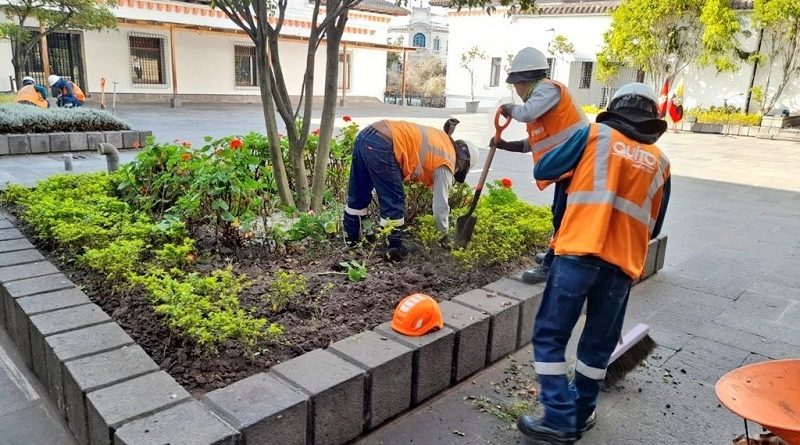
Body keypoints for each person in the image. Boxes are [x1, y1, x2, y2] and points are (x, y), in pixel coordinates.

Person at [516, 83, 671, 444]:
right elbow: (655, 224)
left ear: (615, 108)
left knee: (550, 336)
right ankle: (583, 412)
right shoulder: (661, 162)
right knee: (597, 347)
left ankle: (559, 416)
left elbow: (547, 168)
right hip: (622, 265)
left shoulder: (594, 135)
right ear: (652, 118)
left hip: (578, 253)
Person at [491, 47, 589, 285]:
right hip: (568, 165)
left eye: (516, 85)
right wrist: (504, 144)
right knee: (560, 212)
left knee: (563, 216)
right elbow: (534, 143)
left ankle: (552, 265)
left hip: (580, 163)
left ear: (525, 81)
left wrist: (508, 108)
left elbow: (525, 113)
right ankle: (554, 257)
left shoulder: (547, 89)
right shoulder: (543, 102)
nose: (516, 91)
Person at [343, 118, 479, 261]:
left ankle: (352, 239)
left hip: (367, 135)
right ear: (464, 162)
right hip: (384, 144)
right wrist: (444, 236)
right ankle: (393, 248)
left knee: (359, 192)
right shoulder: (446, 161)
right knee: (394, 199)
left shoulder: (442, 141)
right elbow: (440, 207)